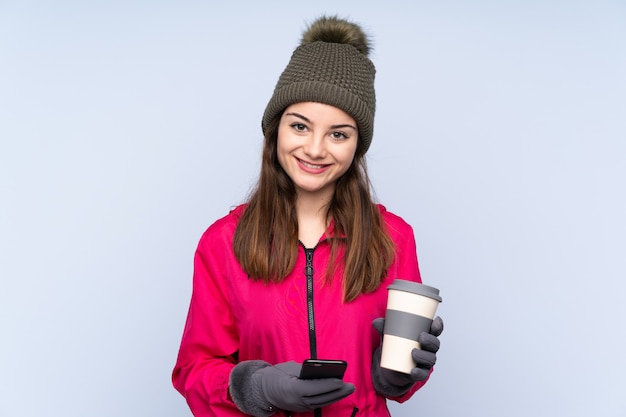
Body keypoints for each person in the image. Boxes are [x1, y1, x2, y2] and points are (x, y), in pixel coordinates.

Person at [172, 15, 444, 417]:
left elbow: (398, 369)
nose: (315, 149)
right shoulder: (223, 241)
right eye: (300, 126)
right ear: (275, 130)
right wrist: (253, 386)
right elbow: (194, 370)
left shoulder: (393, 237)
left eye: (339, 133)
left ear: (357, 145)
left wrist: (398, 377)